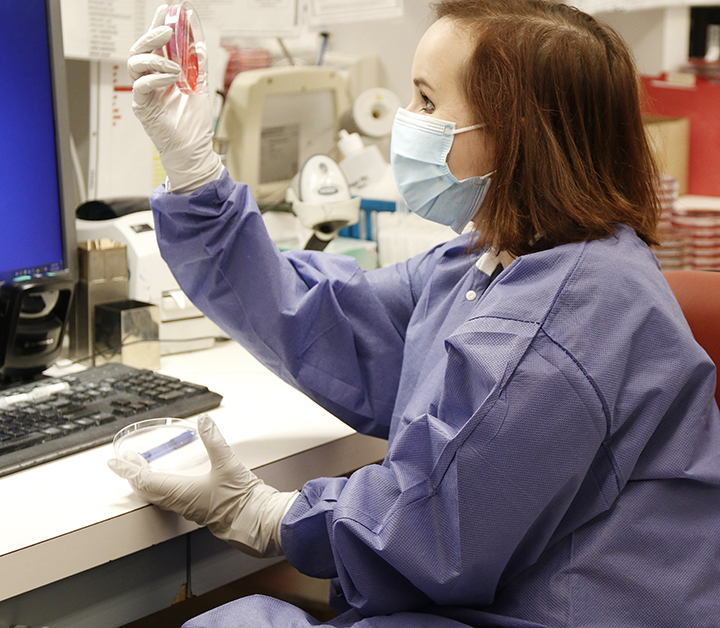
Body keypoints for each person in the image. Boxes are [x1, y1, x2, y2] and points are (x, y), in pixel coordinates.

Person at [109, 1, 720, 626]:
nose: (406, 120)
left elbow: (426, 527)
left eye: (427, 102)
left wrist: (267, 515)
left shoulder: (555, 326)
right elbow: (329, 321)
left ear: (516, 135)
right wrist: (196, 176)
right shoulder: (500, 256)